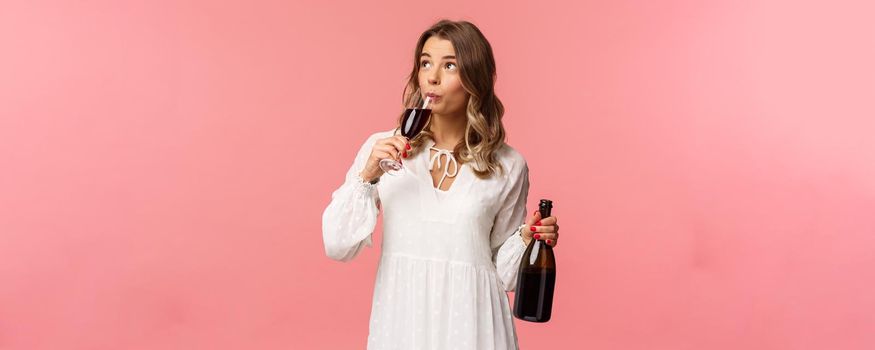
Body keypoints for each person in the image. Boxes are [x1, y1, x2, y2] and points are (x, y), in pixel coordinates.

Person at [321, 19, 560, 350]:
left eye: (450, 65)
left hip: (474, 326)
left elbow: (504, 276)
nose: (432, 77)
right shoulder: (381, 148)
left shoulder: (507, 165)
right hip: (402, 322)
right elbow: (337, 245)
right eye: (425, 63)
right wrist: (367, 176)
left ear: (474, 78)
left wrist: (526, 237)